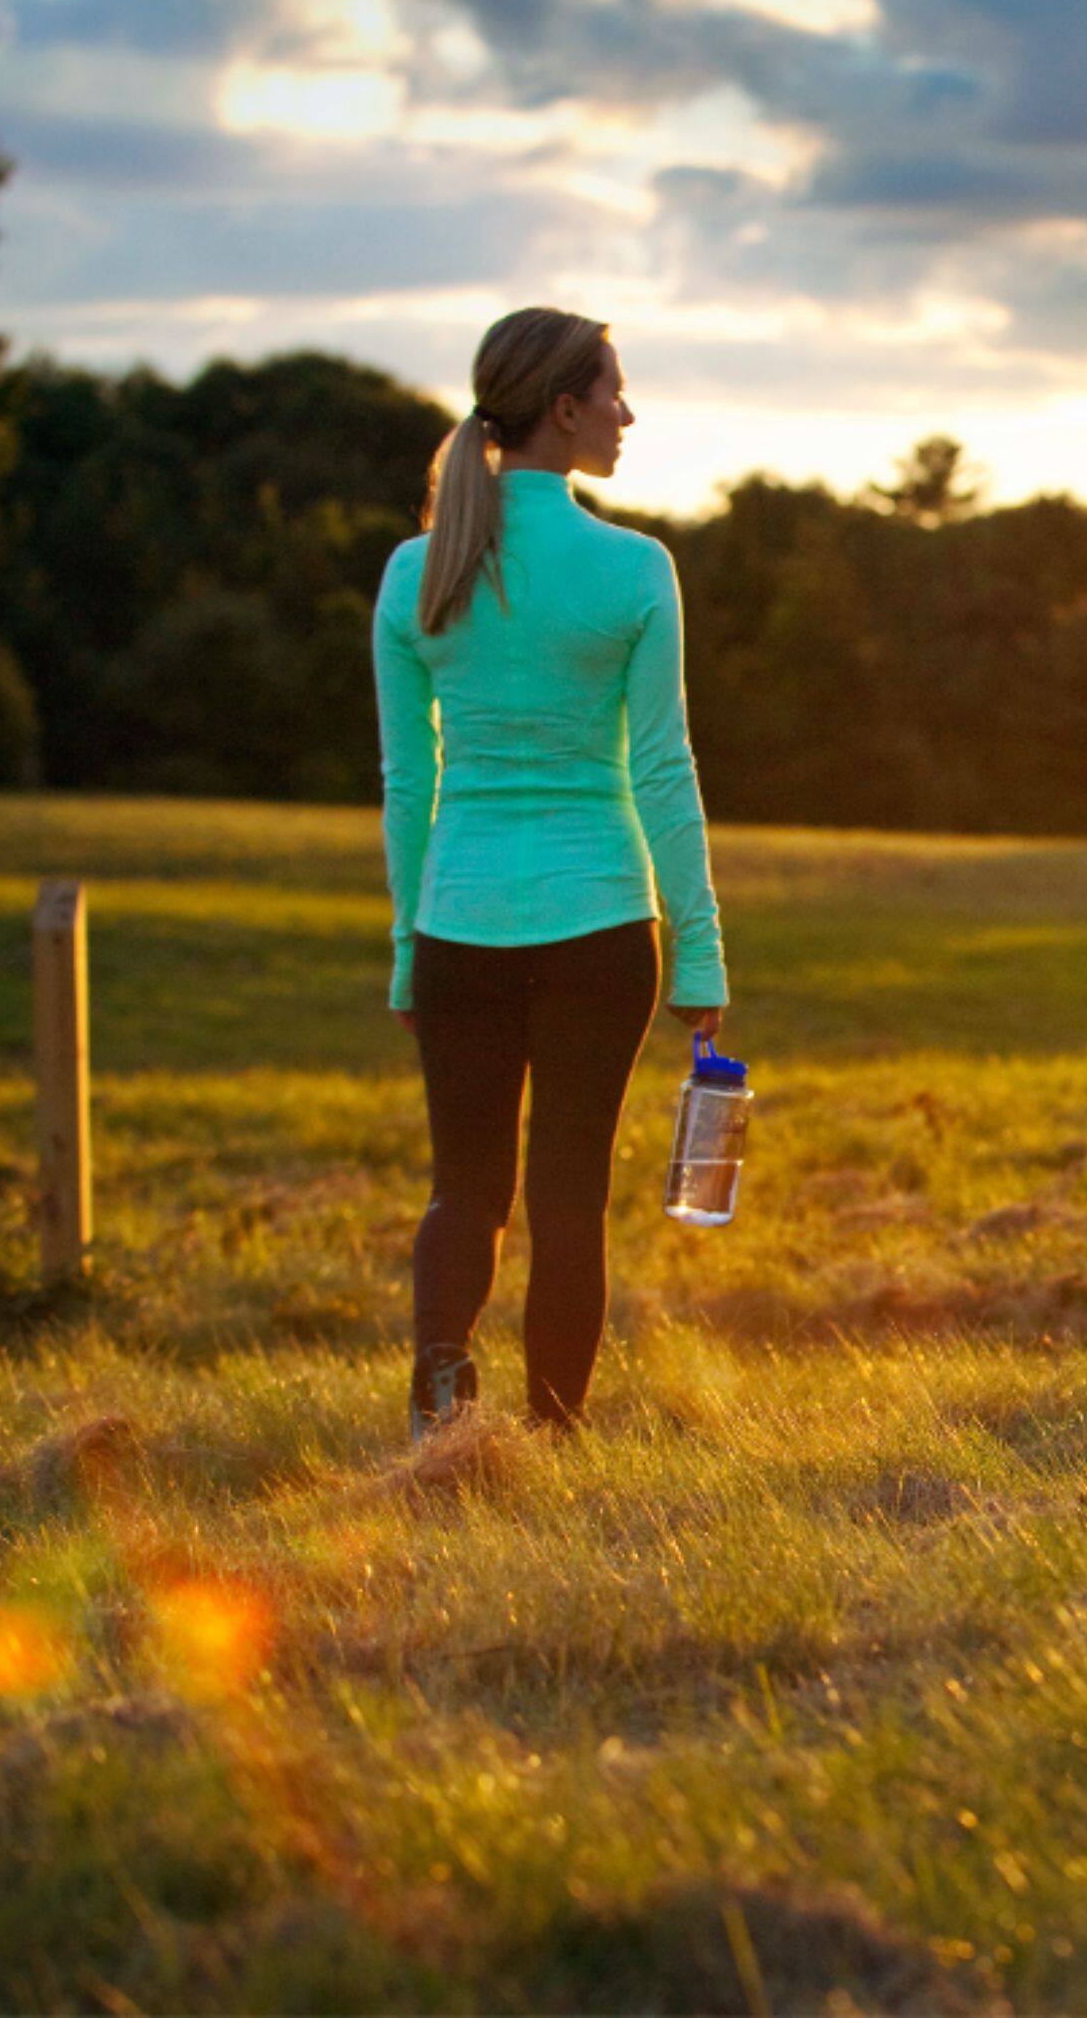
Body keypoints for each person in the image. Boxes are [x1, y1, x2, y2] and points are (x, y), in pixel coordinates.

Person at [372, 307, 727, 1440]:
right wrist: (704, 948)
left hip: (458, 931)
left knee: (464, 1189)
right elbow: (665, 771)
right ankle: (553, 1439)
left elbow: (407, 787)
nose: (628, 413)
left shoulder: (414, 572)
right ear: (564, 409)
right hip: (602, 926)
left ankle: (441, 1401)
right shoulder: (633, 569)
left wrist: (405, 956)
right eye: (614, 392)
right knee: (568, 1196)